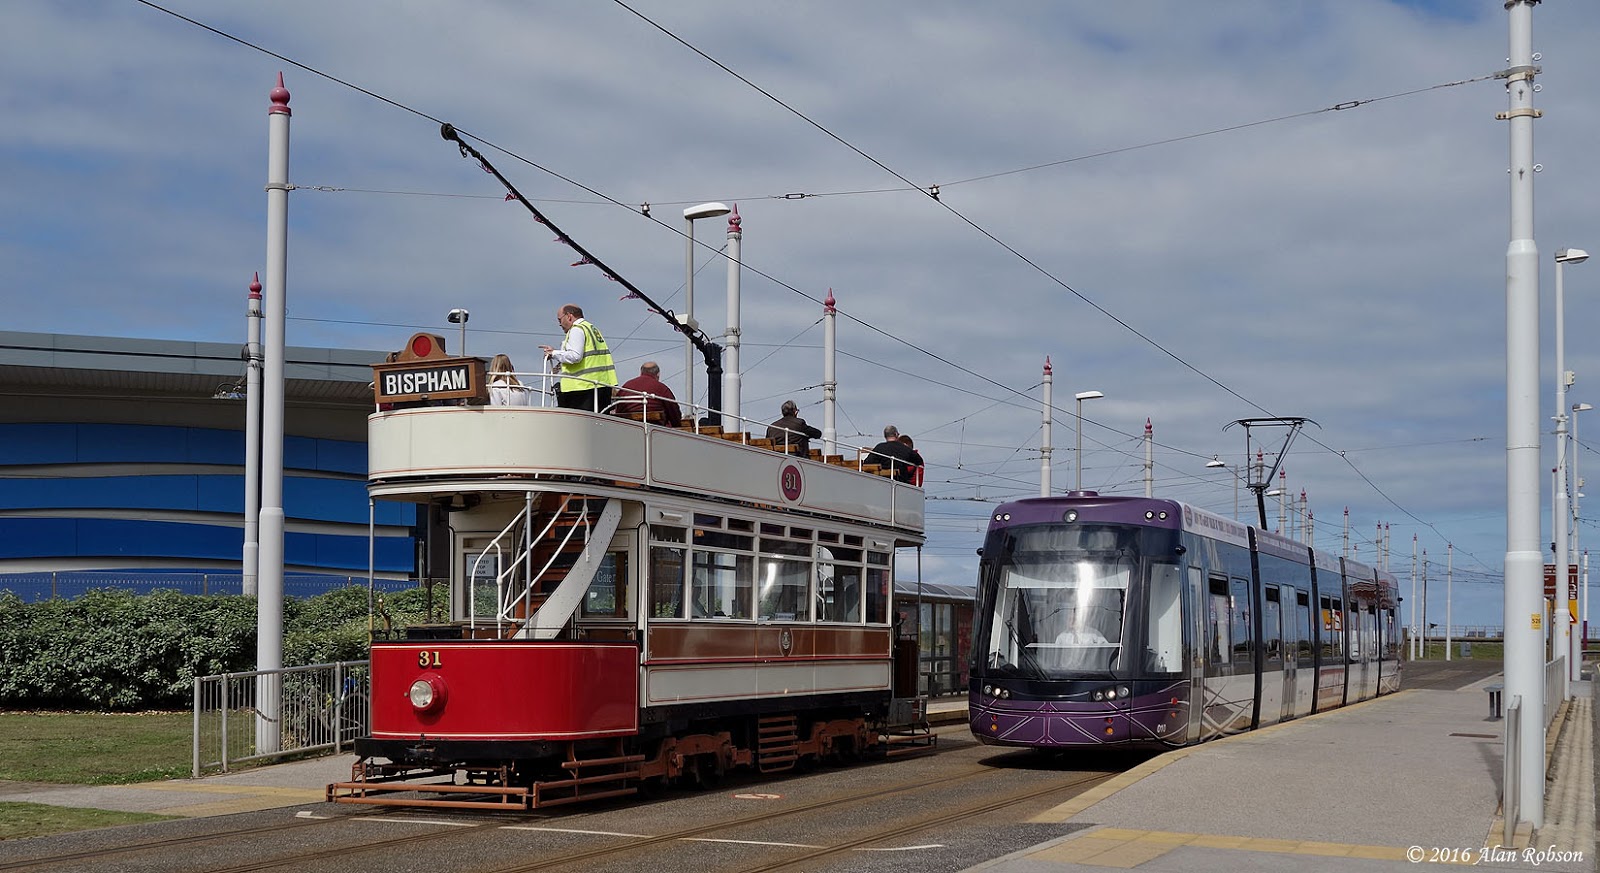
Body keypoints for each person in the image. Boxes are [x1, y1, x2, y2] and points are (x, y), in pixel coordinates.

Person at [539, 303, 617, 412]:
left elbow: (575, 356)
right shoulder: (591, 328)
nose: (559, 324)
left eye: (559, 320)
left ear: (569, 316)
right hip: (601, 385)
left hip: (582, 388)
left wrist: (554, 353)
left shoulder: (576, 330)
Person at [617, 361, 681, 426]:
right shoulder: (661, 388)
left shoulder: (626, 386)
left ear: (641, 372)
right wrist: (677, 425)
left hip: (627, 425)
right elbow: (674, 411)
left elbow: (618, 407)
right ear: (658, 374)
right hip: (655, 427)